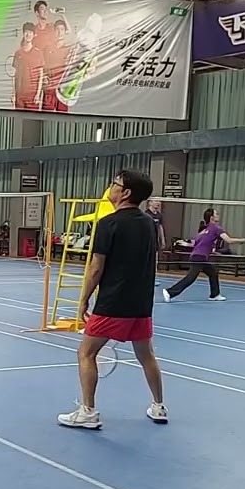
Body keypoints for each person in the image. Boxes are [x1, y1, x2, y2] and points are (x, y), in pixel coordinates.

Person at [59, 170, 167, 429]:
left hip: (113, 303)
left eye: (115, 183)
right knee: (147, 355)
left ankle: (87, 411)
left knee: (86, 352)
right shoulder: (148, 224)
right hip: (141, 304)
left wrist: (83, 299)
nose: (111, 187)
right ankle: (159, 406)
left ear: (126, 192)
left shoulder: (109, 223)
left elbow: (96, 267)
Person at [162, 208, 245, 303]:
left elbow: (195, 243)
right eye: (216, 214)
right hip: (199, 257)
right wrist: (241, 241)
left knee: (213, 272)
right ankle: (170, 292)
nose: (218, 215)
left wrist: (185, 243)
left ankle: (215, 295)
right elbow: (228, 240)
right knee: (190, 278)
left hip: (197, 256)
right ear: (212, 217)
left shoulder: (204, 230)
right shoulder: (216, 228)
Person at [12, 22, 44, 110]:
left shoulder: (38, 53)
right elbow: (15, 75)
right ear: (23, 34)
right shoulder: (18, 53)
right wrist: (13, 94)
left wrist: (38, 94)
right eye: (26, 32)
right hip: (20, 95)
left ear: (34, 35)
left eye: (30, 32)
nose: (28, 34)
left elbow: (41, 75)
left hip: (32, 96)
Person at [144, 199, 165, 286]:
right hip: (146, 242)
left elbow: (160, 228)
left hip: (155, 242)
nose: (158, 203)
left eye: (159, 201)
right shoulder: (146, 214)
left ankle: (153, 279)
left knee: (155, 261)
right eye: (156, 201)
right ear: (150, 203)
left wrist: (162, 240)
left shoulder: (159, 216)